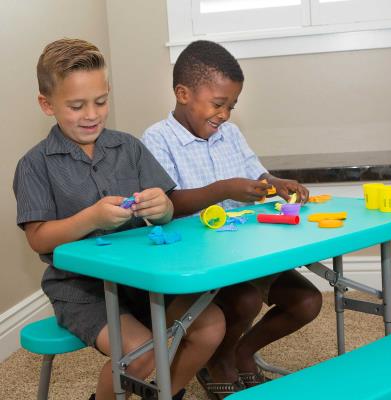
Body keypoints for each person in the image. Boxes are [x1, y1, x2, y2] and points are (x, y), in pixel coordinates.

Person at [13, 38, 227, 400]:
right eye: (77, 105)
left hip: (142, 275)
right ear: (46, 104)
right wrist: (91, 217)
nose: (92, 114)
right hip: (81, 288)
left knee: (210, 326)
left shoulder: (129, 147)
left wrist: (163, 208)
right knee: (141, 352)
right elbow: (38, 238)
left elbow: (169, 207)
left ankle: (164, 393)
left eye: (100, 101)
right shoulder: (35, 165)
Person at [142, 40, 323, 399]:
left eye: (231, 105)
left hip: (246, 252)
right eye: (218, 104)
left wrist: (276, 183)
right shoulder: (156, 139)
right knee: (244, 301)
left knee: (308, 301)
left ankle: (241, 350)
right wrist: (223, 188)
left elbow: (257, 175)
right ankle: (220, 361)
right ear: (182, 93)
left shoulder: (230, 134)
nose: (225, 114)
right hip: (201, 260)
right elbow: (166, 205)